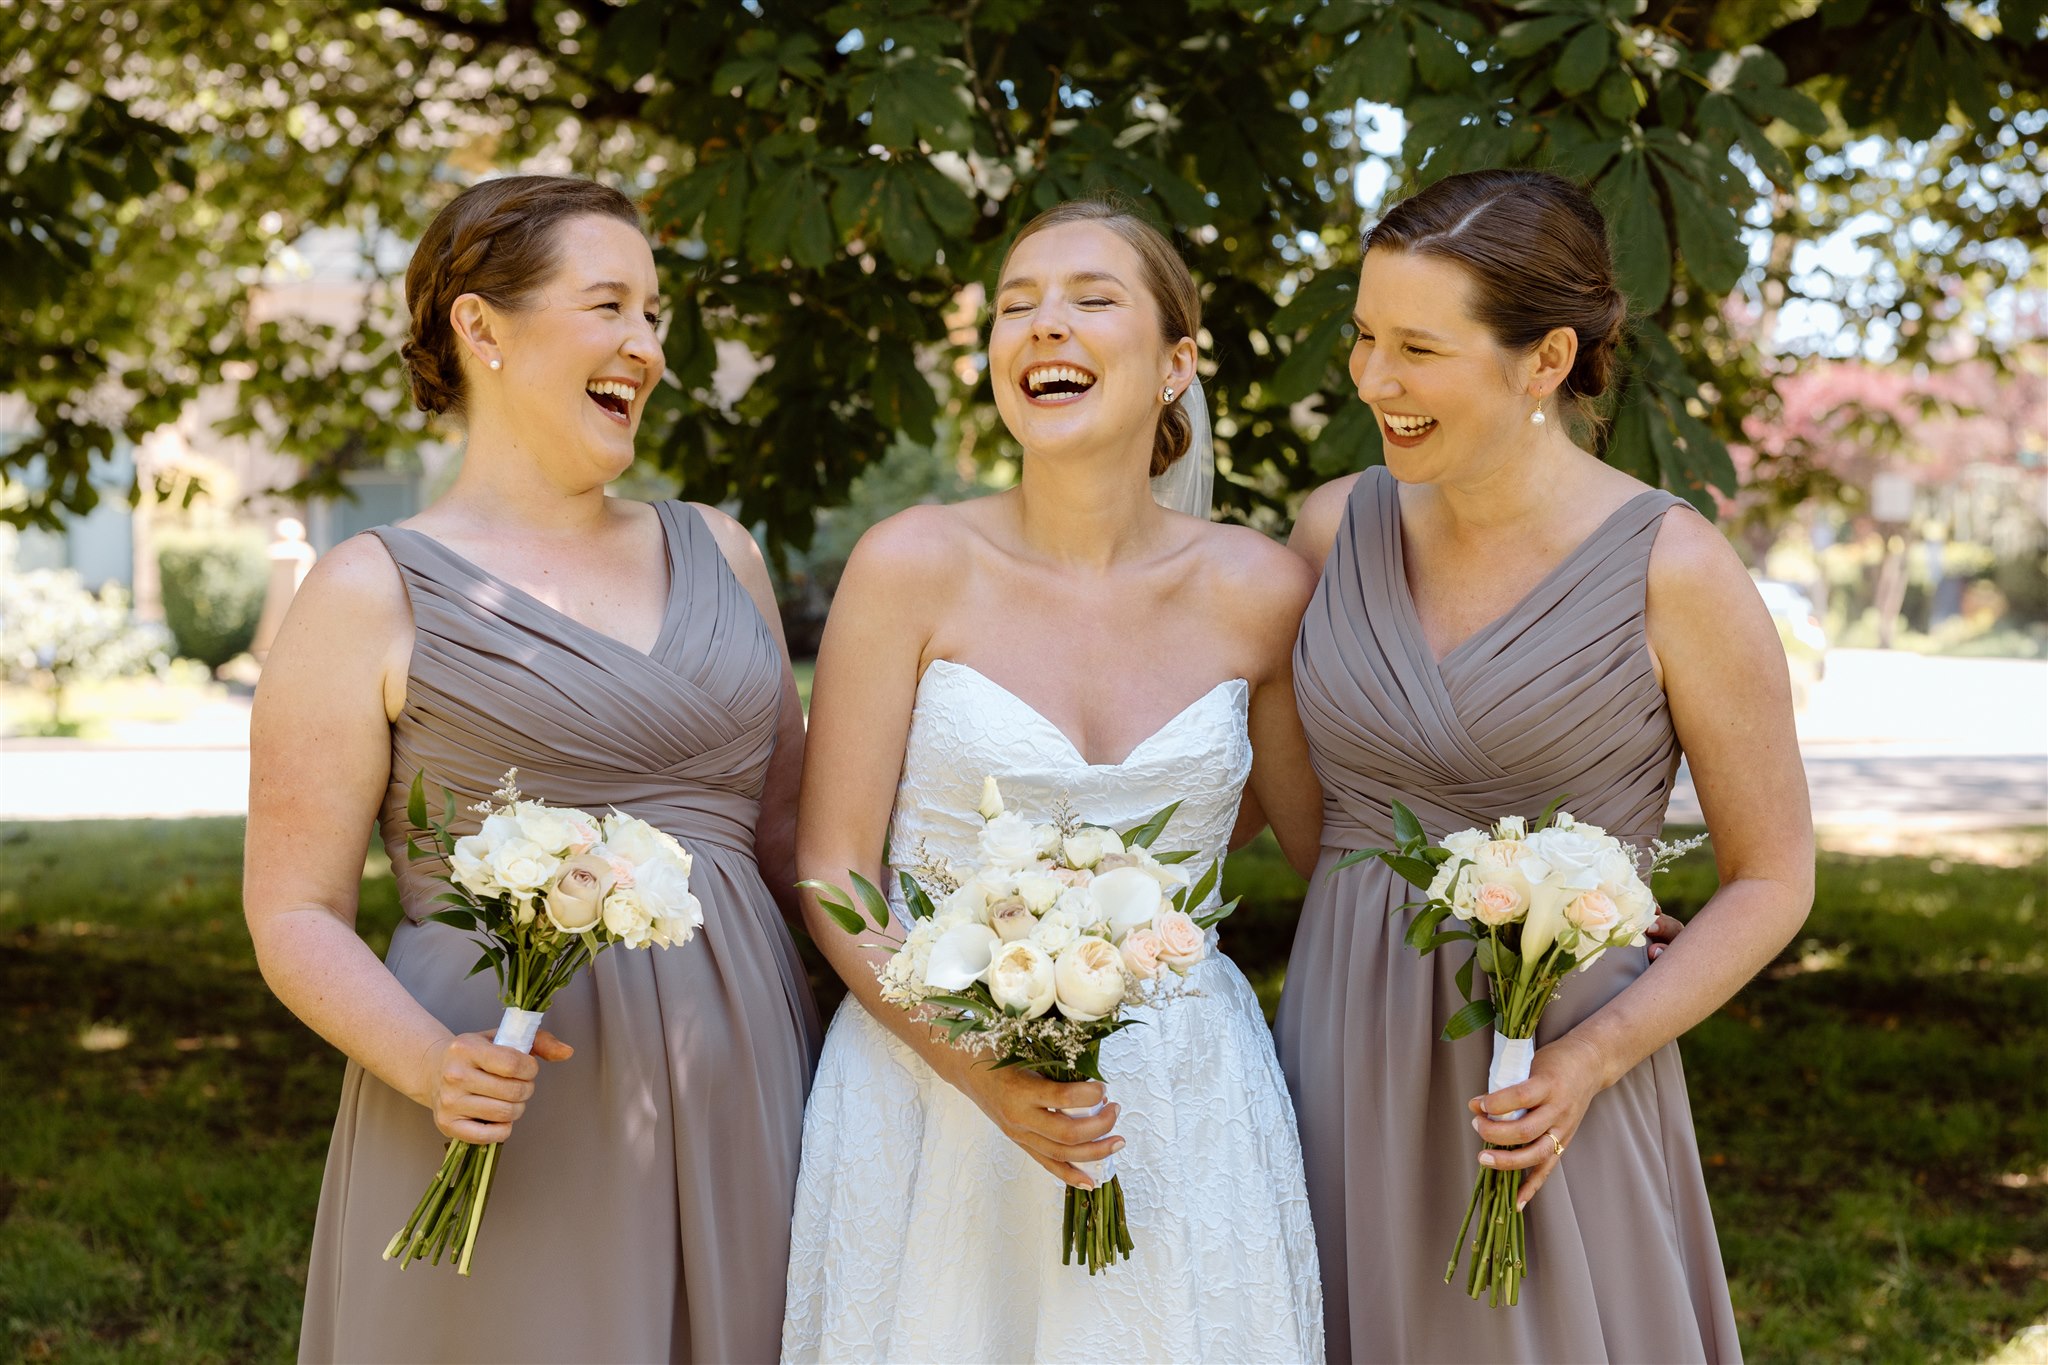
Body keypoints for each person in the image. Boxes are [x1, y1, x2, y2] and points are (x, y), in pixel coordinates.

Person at [243, 174, 821, 1364]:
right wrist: (426, 1063)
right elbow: (292, 907)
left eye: (656, 315)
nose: (645, 345)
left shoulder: (722, 553)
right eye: (608, 304)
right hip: (494, 1096)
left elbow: (798, 843)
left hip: (739, 1078)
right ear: (481, 326)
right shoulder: (368, 590)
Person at [1280, 167, 1813, 1362]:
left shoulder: (1671, 569)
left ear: (1545, 359)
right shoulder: (1328, 532)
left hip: (1554, 1069)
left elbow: (1773, 877)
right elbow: (1285, 804)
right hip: (1339, 1036)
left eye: (1417, 347)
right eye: (1363, 336)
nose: (1371, 379)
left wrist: (1587, 1056)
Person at [781, 199, 1326, 1363]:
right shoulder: (911, 565)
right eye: (1015, 307)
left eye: (1089, 299)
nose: (1043, 328)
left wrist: (1552, 913)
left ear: (1177, 363)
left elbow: (1336, 859)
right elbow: (832, 869)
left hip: (1178, 1096)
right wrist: (971, 1062)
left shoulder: (1262, 592)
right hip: (927, 1092)